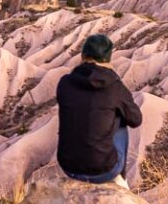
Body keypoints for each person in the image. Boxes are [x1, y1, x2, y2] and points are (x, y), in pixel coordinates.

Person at [56, 34, 142, 186]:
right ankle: (121, 181)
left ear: (82, 55)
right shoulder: (114, 86)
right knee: (121, 120)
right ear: (108, 59)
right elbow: (135, 120)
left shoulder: (64, 83)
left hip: (69, 167)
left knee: (81, 112)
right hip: (103, 170)